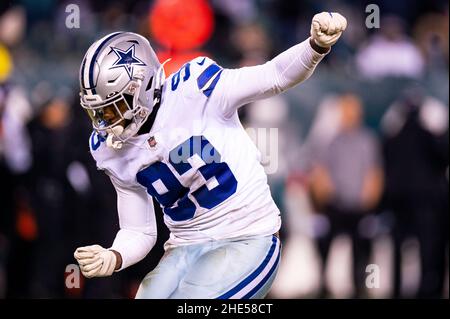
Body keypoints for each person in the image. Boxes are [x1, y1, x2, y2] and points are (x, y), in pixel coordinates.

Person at [73, 12, 347, 299]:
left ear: (141, 88)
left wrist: (314, 47)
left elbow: (275, 75)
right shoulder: (111, 150)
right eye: (99, 112)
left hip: (248, 237)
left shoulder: (197, 90)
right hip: (183, 247)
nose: (106, 122)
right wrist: (114, 256)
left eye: (113, 108)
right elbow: (139, 231)